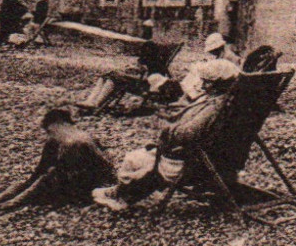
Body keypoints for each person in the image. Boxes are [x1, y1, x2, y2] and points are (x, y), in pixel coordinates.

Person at [91, 59, 241, 211]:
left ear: (219, 84)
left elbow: (188, 133)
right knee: (142, 158)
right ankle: (120, 192)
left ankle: (122, 195)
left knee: (136, 160)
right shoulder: (226, 103)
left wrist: (169, 131)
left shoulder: (214, 108)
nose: (203, 86)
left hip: (185, 161)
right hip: (206, 158)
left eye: (207, 82)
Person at [0, 108, 117, 219]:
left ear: (53, 126)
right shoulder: (72, 137)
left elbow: (49, 176)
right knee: (35, 181)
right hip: (94, 184)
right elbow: (38, 173)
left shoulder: (72, 142)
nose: (48, 134)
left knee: (45, 180)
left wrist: (34, 186)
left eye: (48, 130)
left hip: (94, 189)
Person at [178, 32, 238, 101]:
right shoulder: (220, 57)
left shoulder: (230, 58)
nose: (213, 53)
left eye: (214, 50)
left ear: (220, 47)